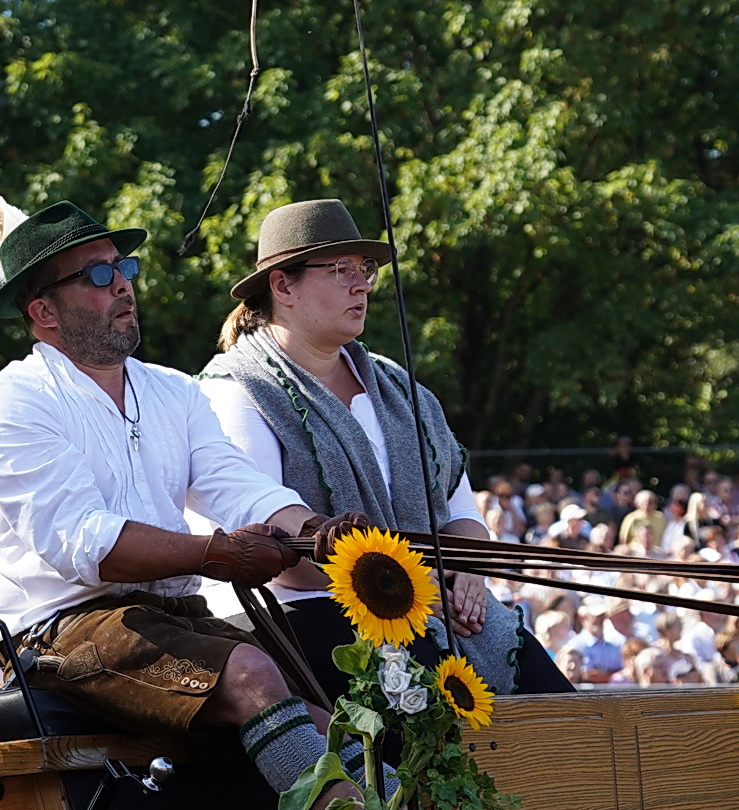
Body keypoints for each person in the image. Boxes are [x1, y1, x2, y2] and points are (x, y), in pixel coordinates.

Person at [0, 194, 372, 810]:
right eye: (96, 275)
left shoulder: (174, 391)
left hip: (165, 614)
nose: (122, 285)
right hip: (54, 633)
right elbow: (86, 544)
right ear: (42, 312)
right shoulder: (10, 404)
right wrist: (217, 554)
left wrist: (311, 529)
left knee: (325, 712)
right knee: (252, 672)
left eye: (124, 268)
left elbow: (235, 486)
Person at [199, 198, 569, 697]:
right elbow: (286, 561)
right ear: (283, 286)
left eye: (365, 269)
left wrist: (467, 574)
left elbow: (460, 509)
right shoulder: (234, 390)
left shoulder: (397, 387)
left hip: (423, 609)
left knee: (556, 698)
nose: (362, 285)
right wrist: (410, 589)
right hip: (298, 616)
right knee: (429, 711)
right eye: (339, 270)